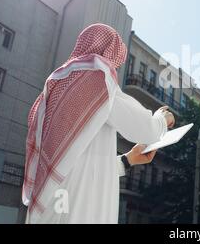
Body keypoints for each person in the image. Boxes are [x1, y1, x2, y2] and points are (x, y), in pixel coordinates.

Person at [22, 23, 175, 224]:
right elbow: (148, 131)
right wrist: (163, 119)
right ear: (110, 53)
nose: (115, 67)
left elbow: (78, 163)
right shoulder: (96, 81)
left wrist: (127, 160)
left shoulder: (55, 88)